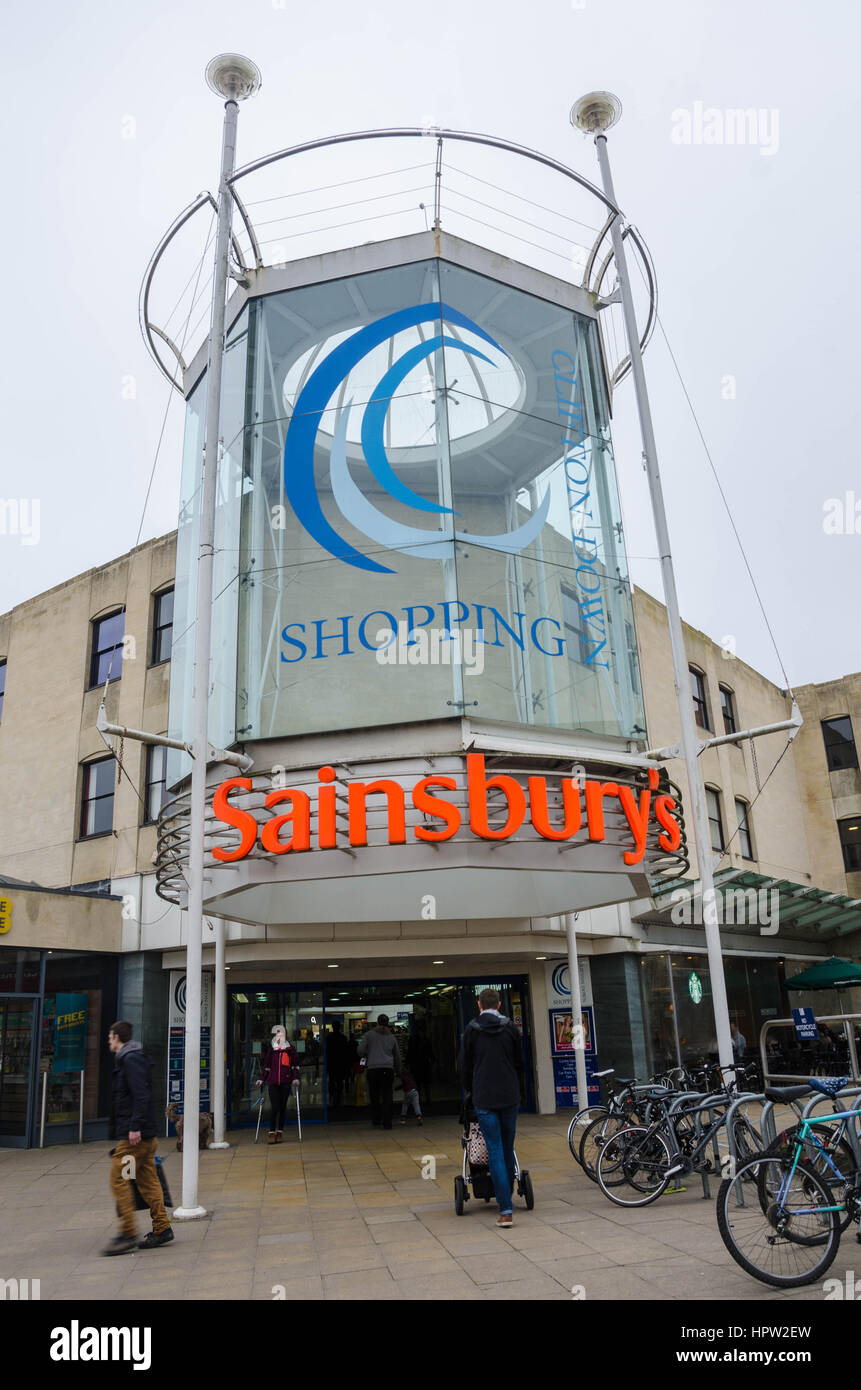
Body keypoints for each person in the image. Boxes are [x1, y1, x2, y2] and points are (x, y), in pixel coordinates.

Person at [103, 1020, 173, 1255]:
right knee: (146, 1181)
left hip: (135, 1140)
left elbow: (140, 1095)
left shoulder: (130, 1059)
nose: (108, 1041)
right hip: (143, 1138)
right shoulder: (130, 1058)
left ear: (117, 1038)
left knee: (119, 1179)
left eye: (110, 1037)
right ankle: (162, 1228)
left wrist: (133, 1128)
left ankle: (128, 1232)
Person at [458, 987, 524, 1228]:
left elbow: (464, 1066)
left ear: (479, 1005)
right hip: (509, 1096)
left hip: (484, 1097)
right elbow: (519, 1062)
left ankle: (505, 1209)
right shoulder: (510, 1029)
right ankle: (507, 1196)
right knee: (507, 1147)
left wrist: (472, 1089)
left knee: (494, 1149)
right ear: (498, 1005)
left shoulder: (472, 1030)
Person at [257, 1024, 300, 1144]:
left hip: (285, 1082)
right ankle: (271, 1132)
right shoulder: (272, 1050)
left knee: (282, 1108)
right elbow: (267, 1066)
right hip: (273, 1082)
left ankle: (279, 1132)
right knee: (275, 1107)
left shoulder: (290, 1049)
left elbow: (295, 1066)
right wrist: (262, 1078)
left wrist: (295, 1078)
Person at [357, 1014, 401, 1129]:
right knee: (387, 1095)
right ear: (387, 1023)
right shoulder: (391, 1037)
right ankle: (387, 1122)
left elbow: (360, 1050)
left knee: (374, 1095)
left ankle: (376, 1119)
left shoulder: (369, 1035)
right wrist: (398, 1070)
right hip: (388, 1069)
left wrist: (367, 1055)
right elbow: (397, 1056)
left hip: (373, 1069)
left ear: (377, 1021)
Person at [406, 1024, 435, 1109]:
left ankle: (420, 1100)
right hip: (423, 1064)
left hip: (417, 1065)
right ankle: (426, 1099)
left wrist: (407, 1064)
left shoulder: (414, 1040)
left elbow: (409, 1053)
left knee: (419, 1084)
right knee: (425, 1084)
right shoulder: (425, 1040)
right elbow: (431, 1052)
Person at [326, 1020, 352, 1107]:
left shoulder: (329, 1038)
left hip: (332, 1063)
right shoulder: (343, 1038)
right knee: (340, 1081)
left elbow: (327, 1052)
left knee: (331, 1080)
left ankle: (332, 1097)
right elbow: (346, 1052)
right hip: (341, 1063)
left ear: (333, 1027)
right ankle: (339, 1097)